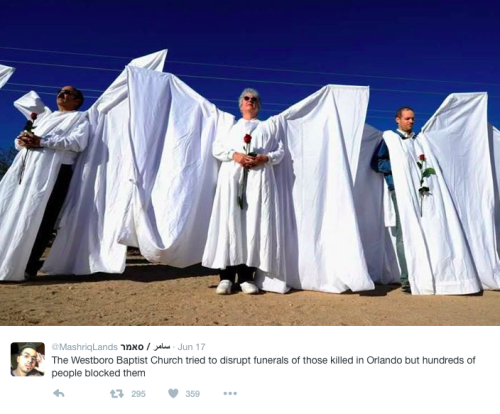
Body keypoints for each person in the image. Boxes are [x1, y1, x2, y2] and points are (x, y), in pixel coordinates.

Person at [0, 86, 89, 281]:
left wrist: (42, 141)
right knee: (12, 210)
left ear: (77, 101)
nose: (61, 94)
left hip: (55, 172)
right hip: (28, 170)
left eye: (68, 93)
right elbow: (19, 141)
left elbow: (77, 143)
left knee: (41, 218)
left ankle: (26, 266)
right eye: (60, 91)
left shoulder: (80, 118)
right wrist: (23, 139)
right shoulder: (43, 118)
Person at [203, 88, 284, 294]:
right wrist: (235, 155)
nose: (250, 101)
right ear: (240, 104)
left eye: (255, 99)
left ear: (259, 105)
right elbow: (217, 148)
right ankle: (226, 277)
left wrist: (264, 158)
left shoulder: (267, 127)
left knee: (252, 224)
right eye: (246, 98)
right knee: (230, 223)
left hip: (258, 180)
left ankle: (247, 277)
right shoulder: (230, 128)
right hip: (232, 179)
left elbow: (280, 151)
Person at [371, 107, 416, 293]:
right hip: (398, 190)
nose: (411, 122)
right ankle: (406, 280)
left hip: (417, 191)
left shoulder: (417, 141)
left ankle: (420, 274)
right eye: (407, 118)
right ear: (398, 119)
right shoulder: (390, 140)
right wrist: (400, 165)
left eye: (413, 119)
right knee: (403, 232)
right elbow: (377, 163)